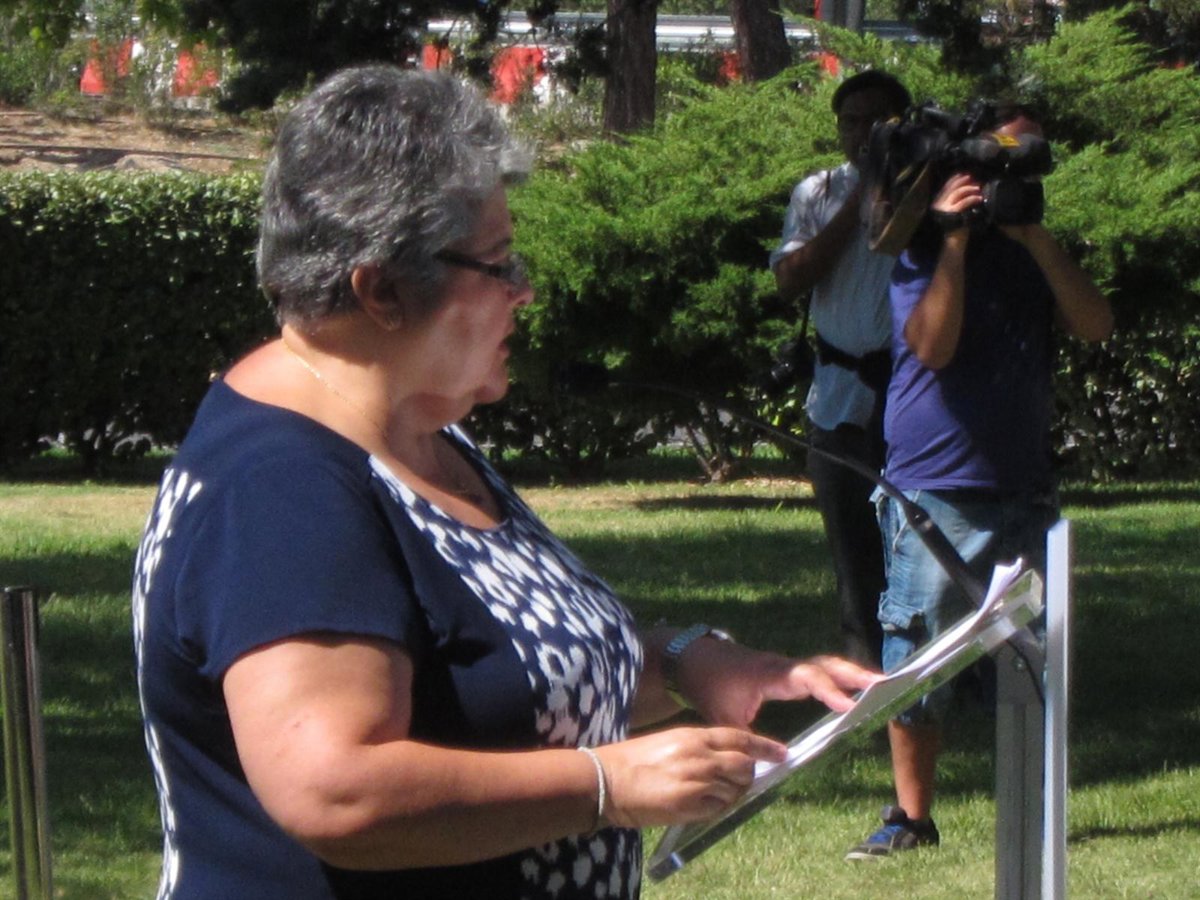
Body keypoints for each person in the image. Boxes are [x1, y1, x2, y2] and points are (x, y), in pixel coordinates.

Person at [131, 65, 879, 900]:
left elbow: (497, 685)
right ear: (380, 290)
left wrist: (687, 663)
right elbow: (336, 790)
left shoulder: (411, 429)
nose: (524, 290)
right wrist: (606, 786)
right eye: (497, 264)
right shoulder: (282, 487)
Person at [845, 106, 1114, 859]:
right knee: (918, 655)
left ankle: (1036, 807)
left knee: (1033, 656)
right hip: (935, 487)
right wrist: (956, 241)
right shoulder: (922, 250)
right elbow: (932, 348)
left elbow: (1096, 324)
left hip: (1022, 485)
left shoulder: (1034, 252)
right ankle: (910, 817)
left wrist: (1036, 236)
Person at [770, 69, 912, 668]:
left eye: (875, 121)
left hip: (913, 397)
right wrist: (857, 202)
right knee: (853, 558)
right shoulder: (818, 192)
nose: (860, 133)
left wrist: (894, 184)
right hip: (838, 399)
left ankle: (932, 674)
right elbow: (790, 279)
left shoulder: (928, 188)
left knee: (917, 552)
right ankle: (862, 677)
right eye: (850, 122)